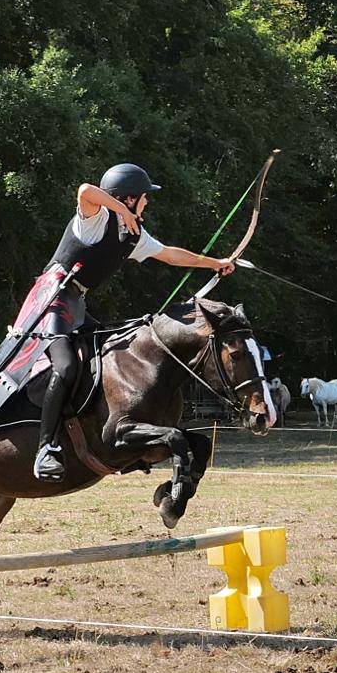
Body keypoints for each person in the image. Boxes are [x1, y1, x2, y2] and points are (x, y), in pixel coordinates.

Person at [27, 162, 236, 481]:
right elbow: (86, 191)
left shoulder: (133, 233)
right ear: (127, 199)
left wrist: (214, 264)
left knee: (108, 354)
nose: (147, 203)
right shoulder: (95, 219)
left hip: (76, 304)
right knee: (67, 366)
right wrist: (120, 212)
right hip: (52, 299)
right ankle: (46, 449)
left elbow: (170, 254)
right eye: (143, 197)